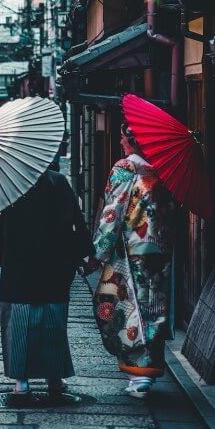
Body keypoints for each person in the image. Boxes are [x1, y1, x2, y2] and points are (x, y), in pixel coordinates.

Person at [85, 122, 173, 399]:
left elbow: (113, 211)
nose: (121, 142)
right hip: (158, 249)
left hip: (129, 250)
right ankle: (146, 369)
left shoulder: (127, 168)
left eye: (124, 138)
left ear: (133, 141)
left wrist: (98, 251)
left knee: (123, 304)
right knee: (153, 306)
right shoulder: (160, 169)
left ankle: (137, 372)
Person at [0, 157, 91, 395]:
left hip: (18, 267)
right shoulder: (57, 182)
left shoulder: (6, 187)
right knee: (52, 321)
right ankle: (54, 378)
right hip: (54, 265)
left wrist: (5, 259)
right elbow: (74, 223)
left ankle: (21, 381)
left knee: (18, 322)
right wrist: (81, 255)